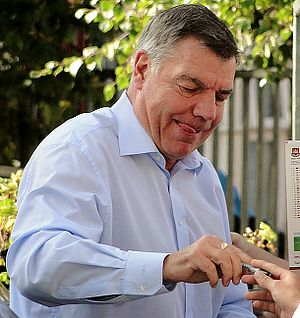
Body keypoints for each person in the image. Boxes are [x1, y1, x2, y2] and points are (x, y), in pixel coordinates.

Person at [7, 4, 256, 318]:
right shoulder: (79, 148)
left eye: (221, 96)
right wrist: (165, 267)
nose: (208, 111)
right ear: (141, 70)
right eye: (190, 87)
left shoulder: (203, 176)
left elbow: (229, 303)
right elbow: (37, 265)